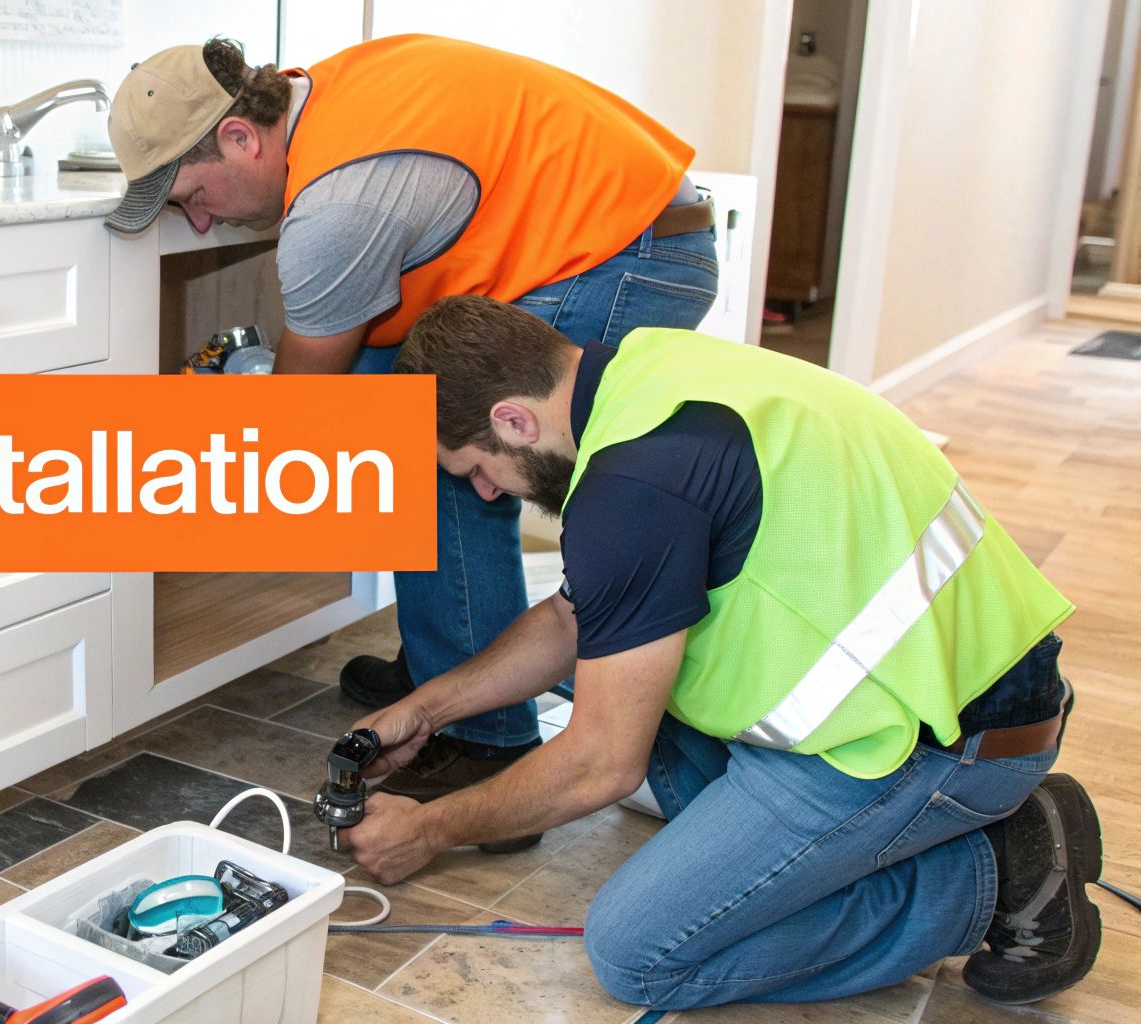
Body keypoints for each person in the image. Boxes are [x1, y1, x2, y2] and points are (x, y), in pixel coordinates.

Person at [337, 294, 1101, 1010]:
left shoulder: (630, 489)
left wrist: (433, 828)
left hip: (943, 743)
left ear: (513, 420)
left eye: (476, 468)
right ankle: (815, 860)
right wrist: (425, 708)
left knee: (639, 951)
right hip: (960, 679)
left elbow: (602, 763)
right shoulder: (651, 373)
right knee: (628, 679)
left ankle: (999, 869)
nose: (486, 493)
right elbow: (576, 621)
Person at [104, 35, 720, 837]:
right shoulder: (324, 95)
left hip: (624, 260)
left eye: (191, 191)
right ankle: (449, 653)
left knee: (438, 447)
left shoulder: (338, 209)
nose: (200, 217)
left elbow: (300, 410)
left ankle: (483, 736)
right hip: (635, 229)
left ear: (240, 137)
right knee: (404, 414)